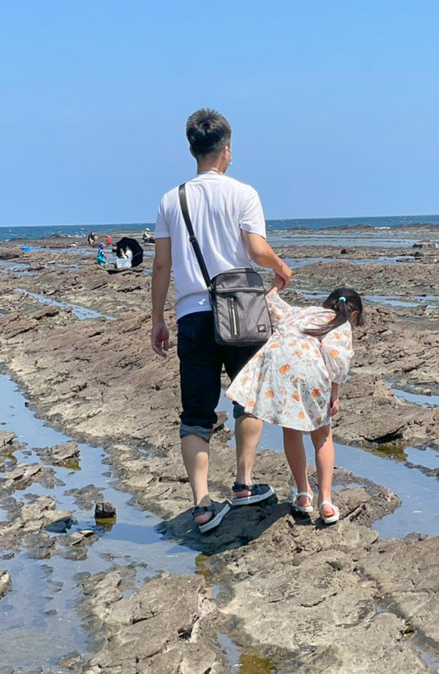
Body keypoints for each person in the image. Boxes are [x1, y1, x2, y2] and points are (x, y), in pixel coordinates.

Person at [151, 107, 293, 534]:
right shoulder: (243, 193)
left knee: (195, 413)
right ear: (226, 149)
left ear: (191, 148)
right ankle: (245, 484)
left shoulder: (170, 200)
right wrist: (281, 268)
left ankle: (201, 505)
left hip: (193, 314)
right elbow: (255, 248)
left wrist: (158, 317)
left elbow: (161, 266)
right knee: (247, 398)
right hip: (241, 310)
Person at [227, 287, 362, 525]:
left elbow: (273, 305)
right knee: (322, 436)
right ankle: (326, 501)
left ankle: (303, 495)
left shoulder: (302, 312)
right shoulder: (340, 324)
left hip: (280, 369)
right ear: (354, 313)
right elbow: (335, 357)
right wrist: (335, 393)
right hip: (310, 371)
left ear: (326, 302)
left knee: (291, 430)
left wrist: (278, 285)